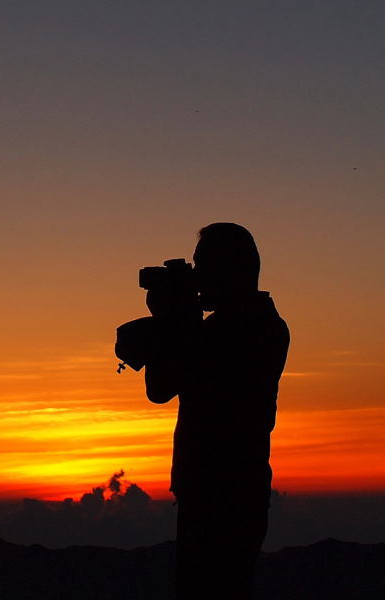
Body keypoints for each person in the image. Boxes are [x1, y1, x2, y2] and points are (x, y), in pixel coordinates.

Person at [142, 223, 289, 599]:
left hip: (220, 494)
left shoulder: (234, 329)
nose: (197, 277)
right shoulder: (262, 323)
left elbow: (160, 388)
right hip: (234, 489)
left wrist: (168, 318)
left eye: (202, 266)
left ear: (230, 270)